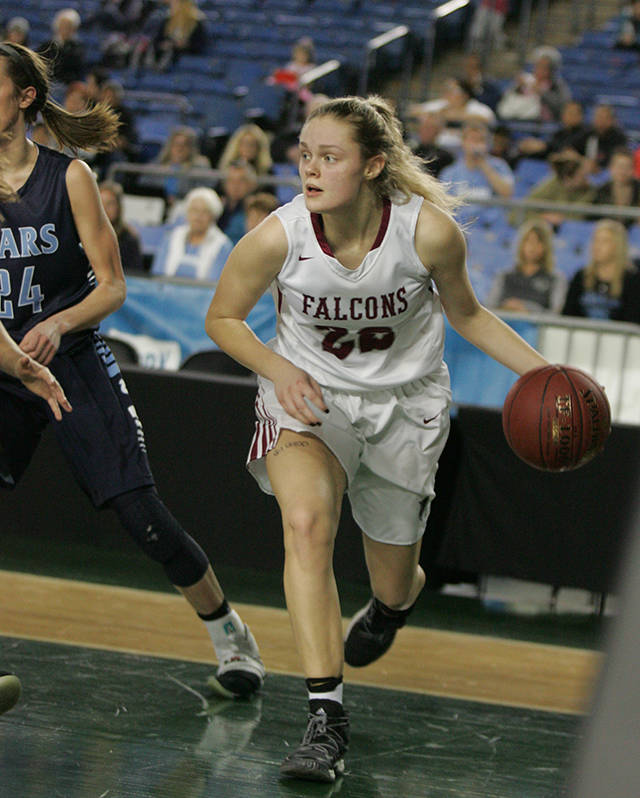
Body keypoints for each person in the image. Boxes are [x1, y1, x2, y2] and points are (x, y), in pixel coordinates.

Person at [205, 94, 549, 782]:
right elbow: (224, 319)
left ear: (372, 166)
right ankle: (325, 718)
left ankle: (392, 608)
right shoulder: (279, 235)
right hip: (312, 402)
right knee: (305, 526)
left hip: (406, 407)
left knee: (393, 574)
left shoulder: (428, 234)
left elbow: (470, 316)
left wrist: (549, 376)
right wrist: (282, 370)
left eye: (328, 156)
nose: (309, 168)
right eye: (304, 153)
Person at [0, 42, 265, 699]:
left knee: (140, 514)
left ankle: (230, 634)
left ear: (25, 96)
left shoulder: (68, 179)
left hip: (73, 358)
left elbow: (112, 288)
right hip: (2, 365)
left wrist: (60, 323)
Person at [562, 219, 640, 323]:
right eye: (595, 240)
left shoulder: (632, 279)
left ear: (618, 246)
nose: (597, 246)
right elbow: (567, 315)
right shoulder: (581, 276)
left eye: (605, 241)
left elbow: (633, 320)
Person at [487, 218, 567, 313]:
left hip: (535, 326)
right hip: (504, 322)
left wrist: (527, 309)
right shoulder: (505, 276)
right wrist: (508, 307)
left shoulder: (555, 279)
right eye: (529, 241)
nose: (533, 247)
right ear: (521, 244)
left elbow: (554, 313)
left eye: (539, 242)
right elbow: (490, 307)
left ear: (546, 247)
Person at [152, 187, 232, 281]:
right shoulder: (171, 237)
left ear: (213, 215)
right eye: (194, 210)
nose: (198, 216)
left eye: (205, 211)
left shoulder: (222, 245)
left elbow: (216, 283)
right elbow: (157, 275)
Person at [511, 148, 595, 227]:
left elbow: (576, 217)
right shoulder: (552, 184)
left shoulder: (590, 190)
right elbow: (516, 215)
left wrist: (561, 219)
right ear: (567, 179)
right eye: (582, 176)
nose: (587, 179)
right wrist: (543, 217)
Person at [440, 120, 514, 202]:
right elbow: (444, 203)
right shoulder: (450, 172)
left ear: (487, 144)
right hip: (462, 214)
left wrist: (483, 164)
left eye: (480, 140)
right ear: (463, 143)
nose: (476, 144)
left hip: (490, 214)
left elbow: (508, 193)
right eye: (472, 139)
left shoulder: (499, 165)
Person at [497, 46, 570, 123]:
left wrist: (542, 93)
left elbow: (561, 106)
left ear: (551, 69)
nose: (539, 70)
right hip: (517, 116)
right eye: (538, 66)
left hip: (541, 122)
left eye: (544, 67)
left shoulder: (557, 85)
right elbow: (506, 97)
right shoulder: (527, 79)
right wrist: (518, 88)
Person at [517, 100, 591, 160]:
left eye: (571, 113)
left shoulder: (586, 134)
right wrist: (538, 146)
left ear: (580, 116)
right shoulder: (560, 133)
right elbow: (550, 146)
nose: (567, 116)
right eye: (566, 113)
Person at [99, 180, 145, 274]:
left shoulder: (129, 239)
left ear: (119, 207)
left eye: (110, 203)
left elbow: (134, 274)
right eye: (100, 202)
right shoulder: (83, 233)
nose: (104, 208)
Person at [37, 8, 87, 85]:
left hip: (67, 85)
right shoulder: (47, 45)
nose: (65, 29)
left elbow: (77, 68)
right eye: (63, 25)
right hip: (49, 83)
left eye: (69, 26)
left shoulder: (77, 48)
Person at [591, 149, 640, 227]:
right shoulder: (601, 191)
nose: (623, 171)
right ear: (611, 168)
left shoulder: (638, 189)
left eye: (627, 167)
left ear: (633, 169)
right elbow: (591, 219)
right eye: (620, 166)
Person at [217, 159, 259, 245]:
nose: (235, 186)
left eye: (241, 181)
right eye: (231, 180)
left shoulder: (256, 210)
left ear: (251, 184)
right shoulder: (218, 207)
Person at [584, 104, 628, 175]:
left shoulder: (619, 137)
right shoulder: (589, 133)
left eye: (604, 117)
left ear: (612, 120)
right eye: (598, 117)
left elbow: (618, 160)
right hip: (589, 171)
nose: (600, 121)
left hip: (610, 173)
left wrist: (599, 168)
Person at [410, 111, 454, 177]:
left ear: (438, 131)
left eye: (430, 128)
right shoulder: (410, 153)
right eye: (423, 127)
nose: (425, 131)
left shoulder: (446, 157)